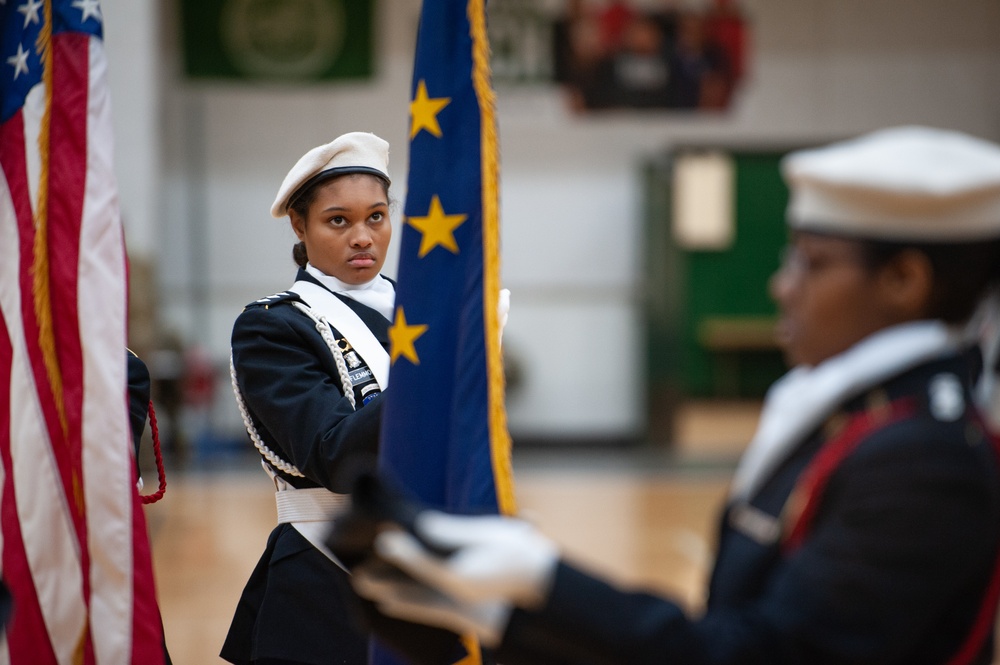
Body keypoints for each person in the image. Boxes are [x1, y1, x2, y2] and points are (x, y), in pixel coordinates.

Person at [346, 126, 1000, 665]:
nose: (782, 285)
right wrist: (496, 614)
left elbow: (763, 656)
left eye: (812, 261)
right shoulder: (857, 416)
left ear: (904, 280)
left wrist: (544, 580)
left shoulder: (924, 458)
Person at [220, 131, 397, 665]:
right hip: (327, 575)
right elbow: (335, 454)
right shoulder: (272, 327)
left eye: (377, 217)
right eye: (338, 220)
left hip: (432, 566)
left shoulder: (425, 315)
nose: (362, 237)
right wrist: (437, 372)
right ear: (300, 226)